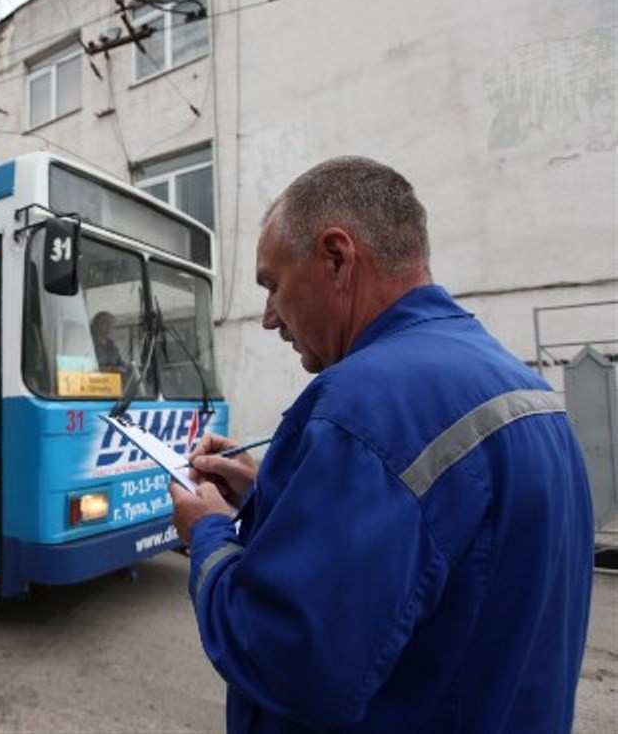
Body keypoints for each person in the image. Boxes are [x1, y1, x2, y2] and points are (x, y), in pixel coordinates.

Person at [169, 156, 593, 733]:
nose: (269, 317)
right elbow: (447, 571)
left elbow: (281, 658)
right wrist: (271, 494)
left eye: (272, 284)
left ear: (337, 259)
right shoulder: (525, 389)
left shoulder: (360, 408)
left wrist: (211, 533)